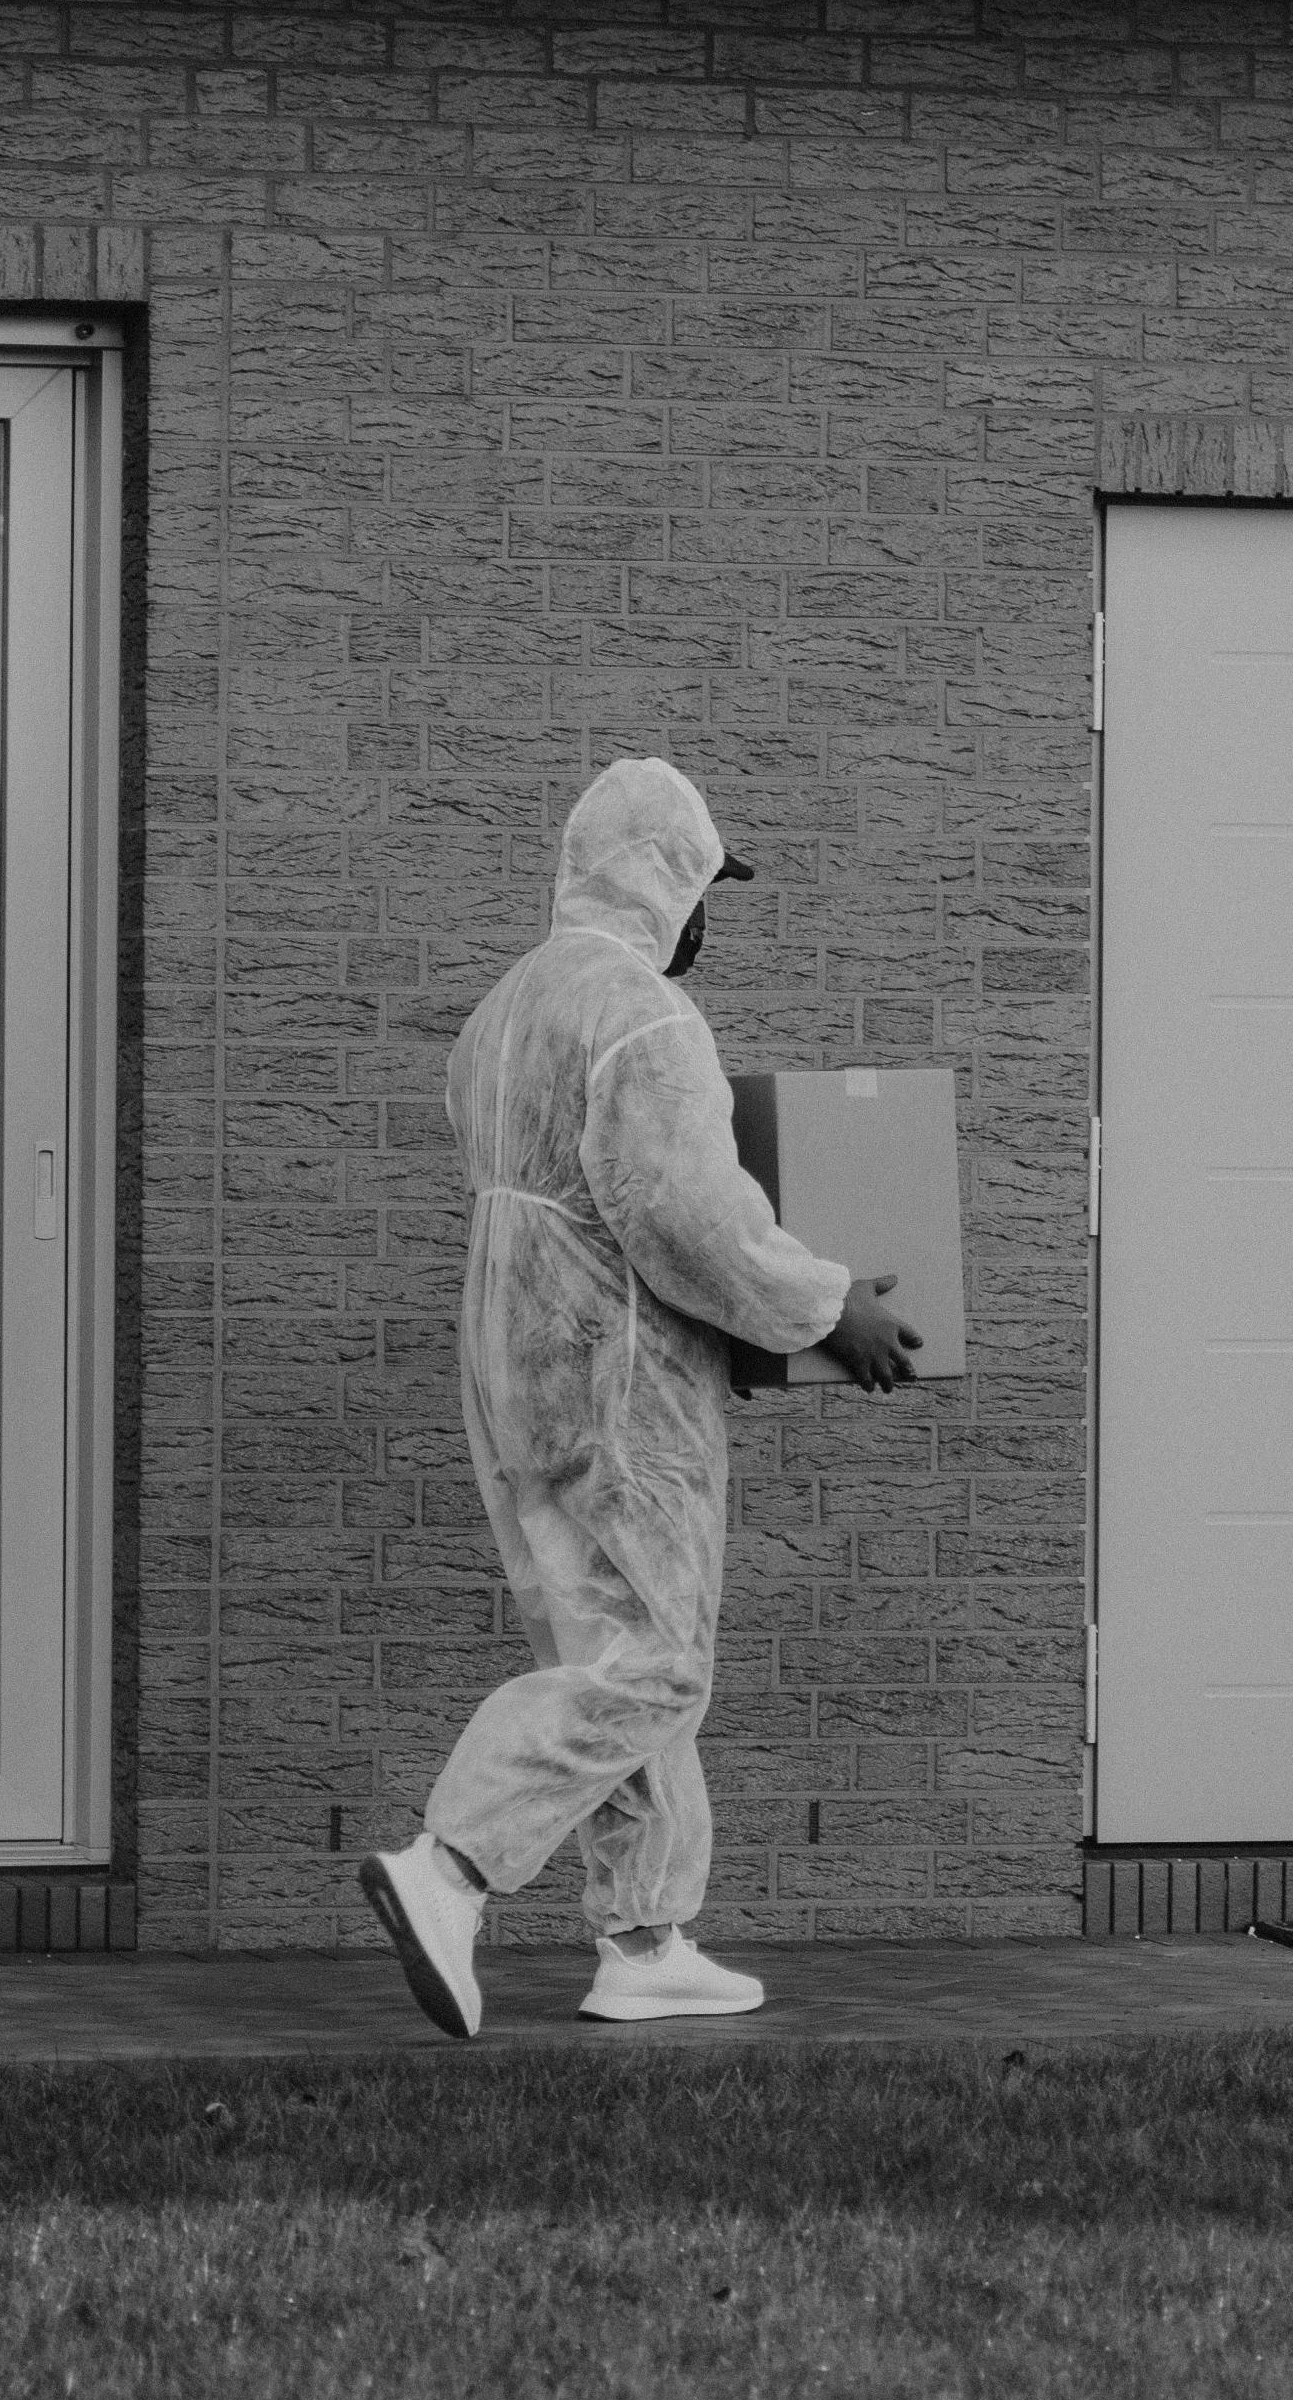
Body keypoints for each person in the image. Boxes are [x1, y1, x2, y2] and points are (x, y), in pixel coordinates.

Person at [358, 758, 917, 2039]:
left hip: (513, 1370)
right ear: (663, 878)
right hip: (615, 1379)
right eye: (706, 880)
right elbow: (691, 1223)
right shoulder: (645, 1017)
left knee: (599, 1645)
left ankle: (647, 1936)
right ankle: (448, 1866)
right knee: (659, 1659)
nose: (709, 909)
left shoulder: (501, 1012)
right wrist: (834, 1309)